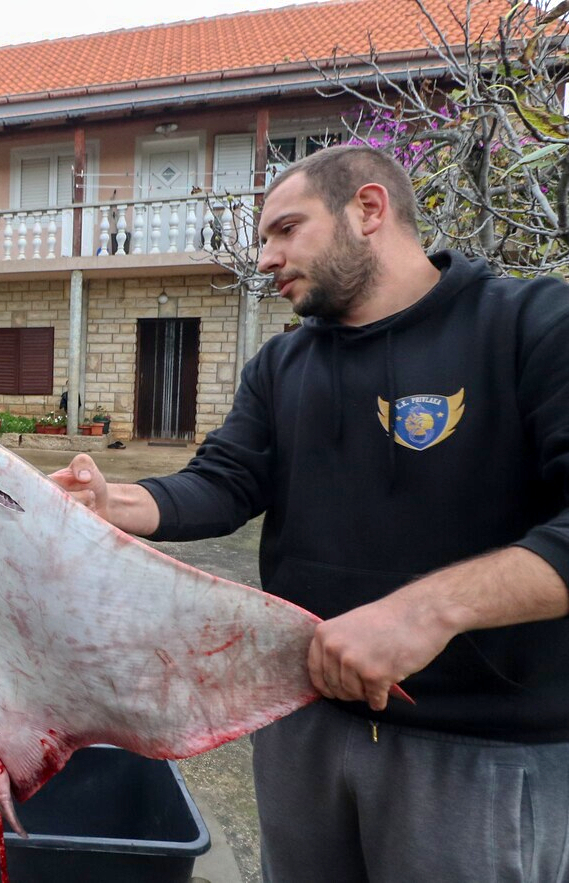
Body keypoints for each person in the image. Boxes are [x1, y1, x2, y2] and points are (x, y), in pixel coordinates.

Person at [52, 145, 569, 881]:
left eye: (286, 230)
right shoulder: (281, 364)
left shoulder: (531, 326)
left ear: (368, 209)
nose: (266, 258)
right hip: (302, 718)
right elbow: (224, 482)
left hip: (479, 748)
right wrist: (112, 502)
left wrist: (427, 610)